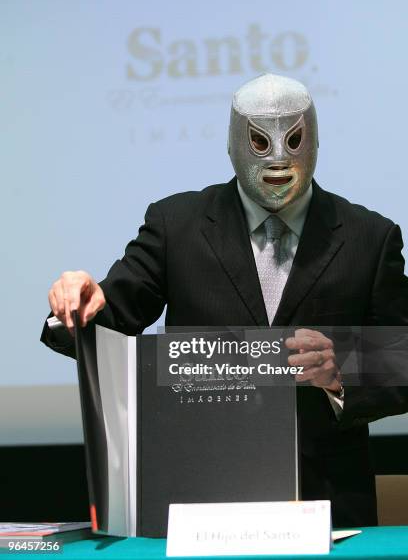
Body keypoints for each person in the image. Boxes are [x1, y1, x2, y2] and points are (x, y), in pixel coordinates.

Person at [41, 73, 408, 527]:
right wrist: (77, 307)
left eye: (293, 140)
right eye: (258, 141)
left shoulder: (370, 237)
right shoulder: (175, 225)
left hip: (329, 503)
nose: (278, 159)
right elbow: (114, 315)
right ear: (234, 143)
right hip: (202, 495)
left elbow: (402, 355)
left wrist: (344, 368)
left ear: (313, 141)